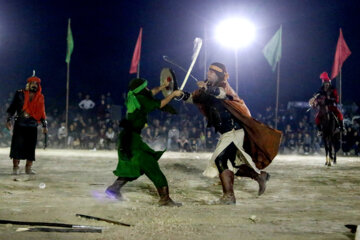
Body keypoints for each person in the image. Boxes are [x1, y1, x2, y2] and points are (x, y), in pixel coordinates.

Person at [183, 62, 282, 204]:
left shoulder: (223, 86)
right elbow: (193, 98)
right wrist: (178, 94)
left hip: (234, 131)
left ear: (218, 75)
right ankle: (259, 176)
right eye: (208, 71)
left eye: (212, 72)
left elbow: (222, 94)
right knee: (231, 165)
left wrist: (208, 89)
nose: (208, 73)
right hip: (226, 133)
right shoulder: (205, 89)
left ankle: (229, 196)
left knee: (220, 160)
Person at [105, 78, 183, 207]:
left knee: (132, 167)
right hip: (132, 140)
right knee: (150, 165)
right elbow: (160, 104)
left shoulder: (134, 96)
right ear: (141, 90)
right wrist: (173, 94)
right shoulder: (141, 99)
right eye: (145, 87)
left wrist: (163, 87)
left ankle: (114, 189)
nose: (148, 89)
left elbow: (151, 93)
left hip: (128, 137)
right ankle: (165, 199)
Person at [6, 74, 48, 175]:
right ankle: (15, 167)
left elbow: (42, 113)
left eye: (36, 84)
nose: (34, 85)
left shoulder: (40, 97)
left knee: (30, 147)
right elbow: (12, 108)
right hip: (20, 123)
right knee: (17, 145)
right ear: (28, 84)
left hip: (32, 125)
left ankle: (28, 168)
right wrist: (8, 120)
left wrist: (44, 125)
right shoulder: (19, 93)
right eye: (32, 83)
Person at [310, 72, 345, 136]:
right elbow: (317, 97)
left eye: (327, 83)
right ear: (323, 83)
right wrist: (315, 101)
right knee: (317, 117)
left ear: (329, 83)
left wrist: (332, 99)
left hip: (331, 106)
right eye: (325, 83)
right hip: (323, 107)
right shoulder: (320, 90)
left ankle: (342, 127)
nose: (326, 84)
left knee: (339, 114)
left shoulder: (333, 89)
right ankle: (320, 130)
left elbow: (336, 98)